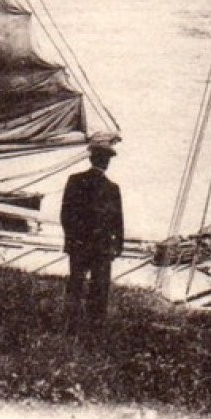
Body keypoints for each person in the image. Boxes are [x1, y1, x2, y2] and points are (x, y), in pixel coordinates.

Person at [60, 134, 124, 335]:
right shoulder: (112, 188)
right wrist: (118, 246)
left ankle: (72, 328)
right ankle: (93, 329)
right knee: (98, 289)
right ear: (103, 161)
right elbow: (117, 221)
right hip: (101, 248)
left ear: (91, 158)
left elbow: (66, 214)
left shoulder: (75, 181)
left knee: (77, 285)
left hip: (82, 245)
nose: (105, 162)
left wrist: (72, 239)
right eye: (104, 158)